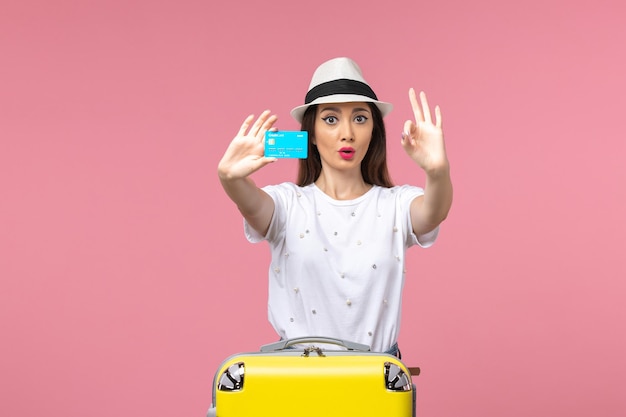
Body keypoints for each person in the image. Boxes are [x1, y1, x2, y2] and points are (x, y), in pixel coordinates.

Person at [217, 57, 452, 355]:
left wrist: (437, 171)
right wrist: (229, 178)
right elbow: (250, 203)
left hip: (376, 383)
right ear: (311, 133)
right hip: (298, 383)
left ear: (374, 130)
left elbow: (434, 211)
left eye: (360, 118)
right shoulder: (287, 204)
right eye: (330, 119)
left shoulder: (395, 204)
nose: (347, 133)